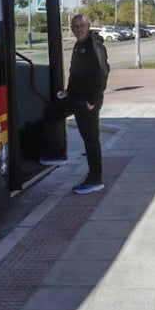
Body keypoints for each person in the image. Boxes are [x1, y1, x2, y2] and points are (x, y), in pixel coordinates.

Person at [42, 14, 109, 194]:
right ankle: (58, 153)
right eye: (74, 26)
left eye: (81, 26)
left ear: (88, 26)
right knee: (51, 114)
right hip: (75, 97)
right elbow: (76, 73)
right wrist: (68, 91)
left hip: (87, 101)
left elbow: (102, 74)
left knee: (90, 139)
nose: (78, 29)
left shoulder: (94, 46)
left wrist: (92, 101)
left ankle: (95, 179)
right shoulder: (80, 45)